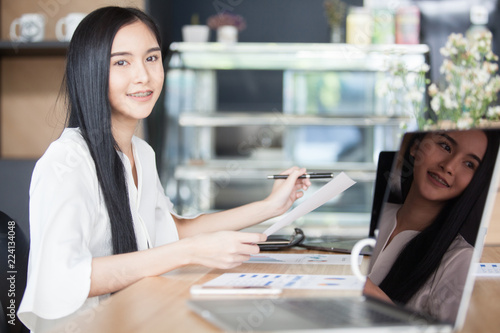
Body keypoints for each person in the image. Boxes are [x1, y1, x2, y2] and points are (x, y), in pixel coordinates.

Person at [17, 7, 311, 332]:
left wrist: (270, 206)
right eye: (121, 62)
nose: (143, 76)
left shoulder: (140, 152)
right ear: (90, 70)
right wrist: (189, 253)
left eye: (152, 58)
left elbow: (175, 230)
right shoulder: (66, 161)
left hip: (132, 319)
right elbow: (62, 278)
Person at [363, 129, 499, 323]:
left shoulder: (459, 259)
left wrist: (371, 293)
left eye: (469, 164)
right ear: (416, 147)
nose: (449, 166)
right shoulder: (368, 216)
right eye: (445, 146)